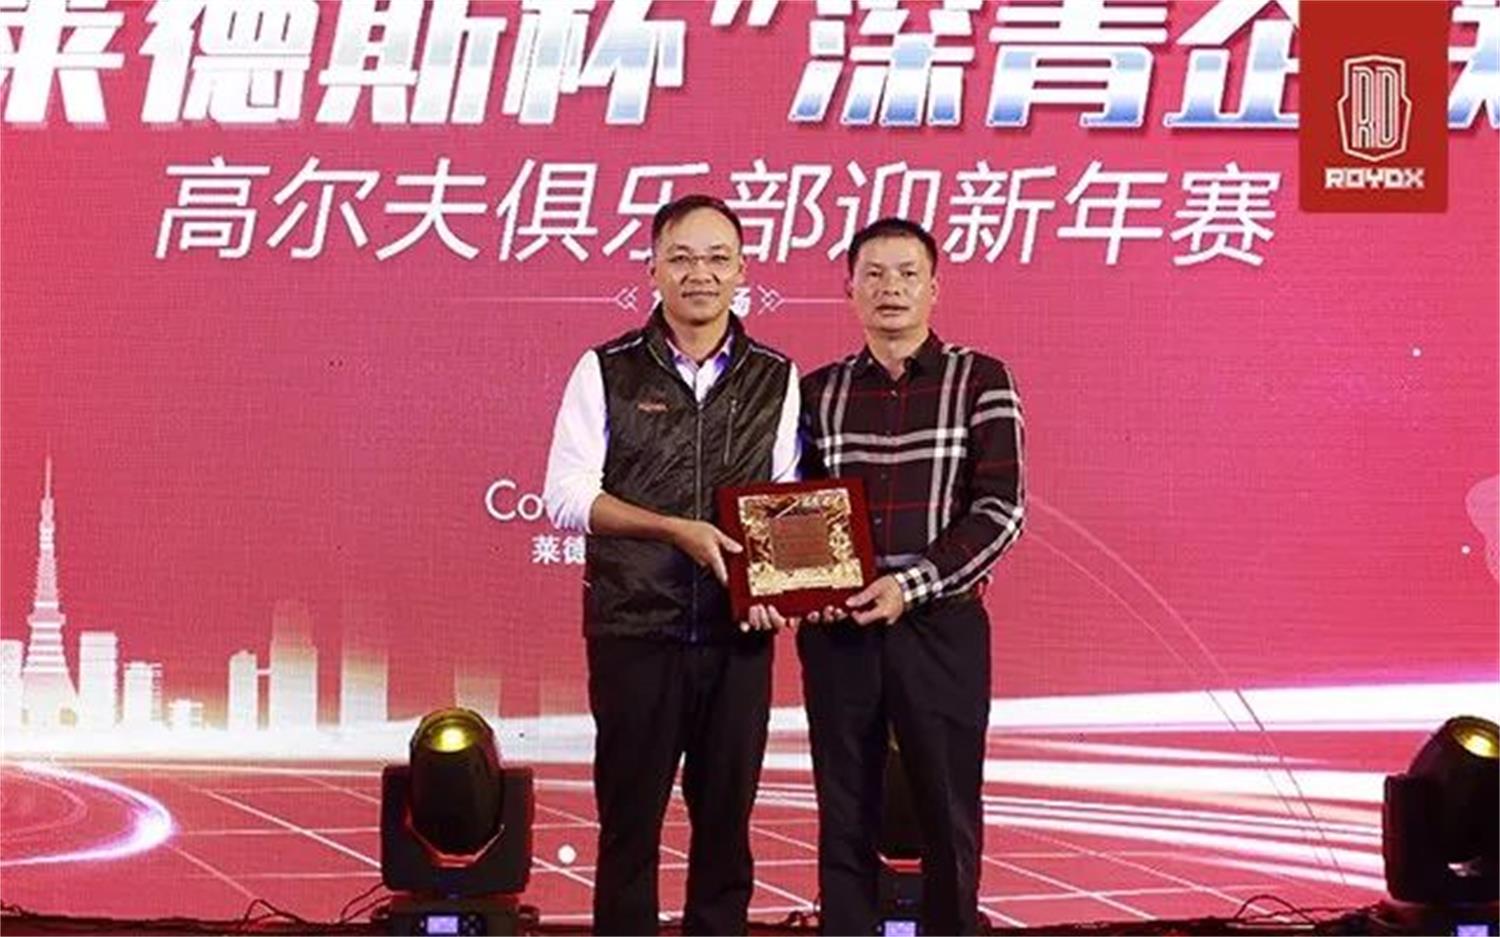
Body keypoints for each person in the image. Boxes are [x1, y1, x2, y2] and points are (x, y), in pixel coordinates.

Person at [542, 194, 800, 936]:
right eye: (681, 258)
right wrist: (671, 531)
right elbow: (566, 496)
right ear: (652, 269)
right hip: (635, 632)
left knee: (726, 830)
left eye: (718, 258)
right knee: (629, 829)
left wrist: (775, 587)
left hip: (738, 637)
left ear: (743, 270)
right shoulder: (606, 369)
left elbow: (786, 497)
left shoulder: (775, 377)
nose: (700, 274)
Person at [793, 217, 1025, 936]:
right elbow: (795, 506)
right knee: (844, 809)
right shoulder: (818, 391)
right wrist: (808, 589)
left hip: (940, 625)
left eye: (907, 273)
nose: (890, 287)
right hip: (841, 630)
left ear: (934, 288)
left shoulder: (980, 378)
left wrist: (909, 585)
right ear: (849, 290)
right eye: (873, 274)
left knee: (947, 809)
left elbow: (1001, 509)